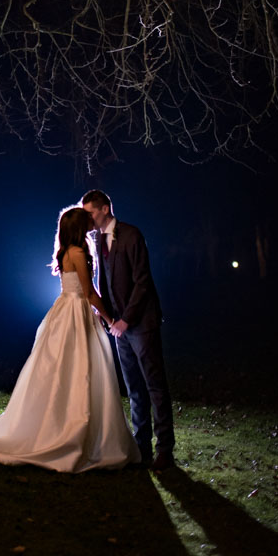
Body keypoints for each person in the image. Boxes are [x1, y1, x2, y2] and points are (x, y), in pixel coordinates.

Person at [0, 207, 140, 472]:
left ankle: (80, 427)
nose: (91, 223)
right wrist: (110, 319)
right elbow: (88, 292)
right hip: (75, 313)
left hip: (68, 310)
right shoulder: (76, 252)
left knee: (72, 368)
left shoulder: (67, 252)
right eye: (86, 220)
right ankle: (74, 429)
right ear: (79, 227)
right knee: (79, 368)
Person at [80, 189, 175, 470]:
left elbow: (143, 281)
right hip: (119, 327)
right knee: (134, 388)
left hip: (141, 324)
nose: (89, 219)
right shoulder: (97, 240)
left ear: (106, 208)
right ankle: (142, 447)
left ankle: (165, 451)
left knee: (155, 385)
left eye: (91, 213)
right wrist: (107, 315)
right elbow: (105, 281)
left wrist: (127, 319)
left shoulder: (132, 235)